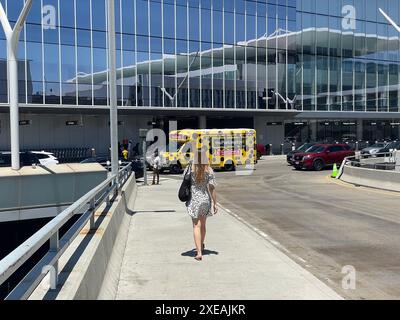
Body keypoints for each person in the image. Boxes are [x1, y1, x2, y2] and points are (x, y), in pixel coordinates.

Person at [182, 149, 217, 261]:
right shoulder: (209, 170)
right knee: (203, 225)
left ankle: (199, 252)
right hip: (205, 199)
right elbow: (212, 188)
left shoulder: (190, 169)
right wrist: (215, 203)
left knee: (196, 225)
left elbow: (184, 181)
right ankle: (201, 245)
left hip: (194, 200)